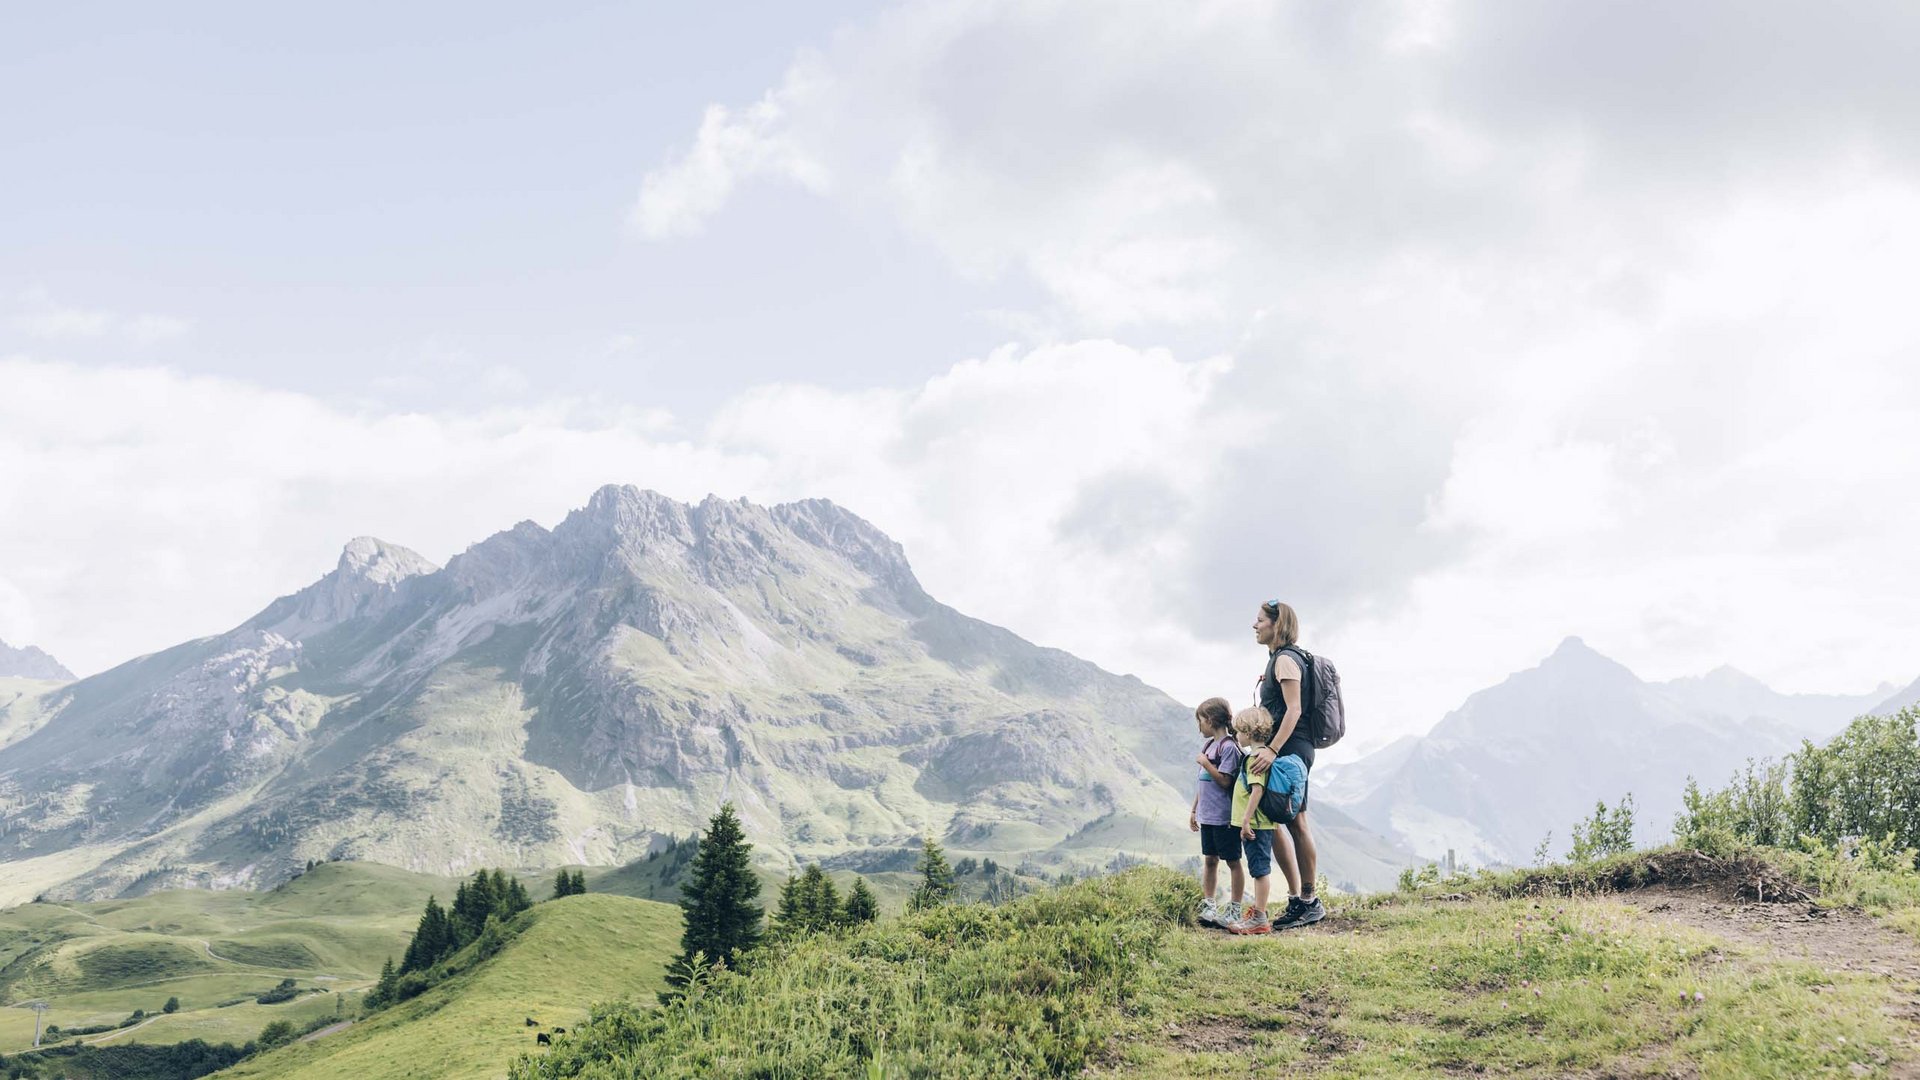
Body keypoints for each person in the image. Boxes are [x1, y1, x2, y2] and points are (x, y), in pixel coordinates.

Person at [1250, 599, 1326, 929]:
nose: (1255, 625)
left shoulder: (1285, 660)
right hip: (1287, 747)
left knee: (1296, 820)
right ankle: (1298, 899)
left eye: (1260, 620)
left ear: (1276, 624)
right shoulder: (1279, 660)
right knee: (1274, 817)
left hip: (1291, 748)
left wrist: (1272, 749)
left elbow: (1294, 710)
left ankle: (1309, 901)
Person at [1222, 706, 1280, 934]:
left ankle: (1259, 918)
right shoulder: (1259, 756)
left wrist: (1245, 821)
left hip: (1255, 824)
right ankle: (1258, 914)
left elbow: (1257, 790)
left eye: (1238, 731)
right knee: (1258, 868)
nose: (1236, 735)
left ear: (1248, 732)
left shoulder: (1255, 759)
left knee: (1259, 870)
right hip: (1257, 823)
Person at [1189, 697, 1245, 927]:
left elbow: (1224, 781)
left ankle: (1235, 908)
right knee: (1210, 859)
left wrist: (1206, 763)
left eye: (1200, 721)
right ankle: (1209, 905)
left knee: (1233, 861)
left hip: (1224, 817)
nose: (1199, 727)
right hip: (1208, 816)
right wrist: (1195, 809)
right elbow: (1203, 783)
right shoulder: (1209, 745)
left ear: (1211, 720)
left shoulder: (1229, 748)